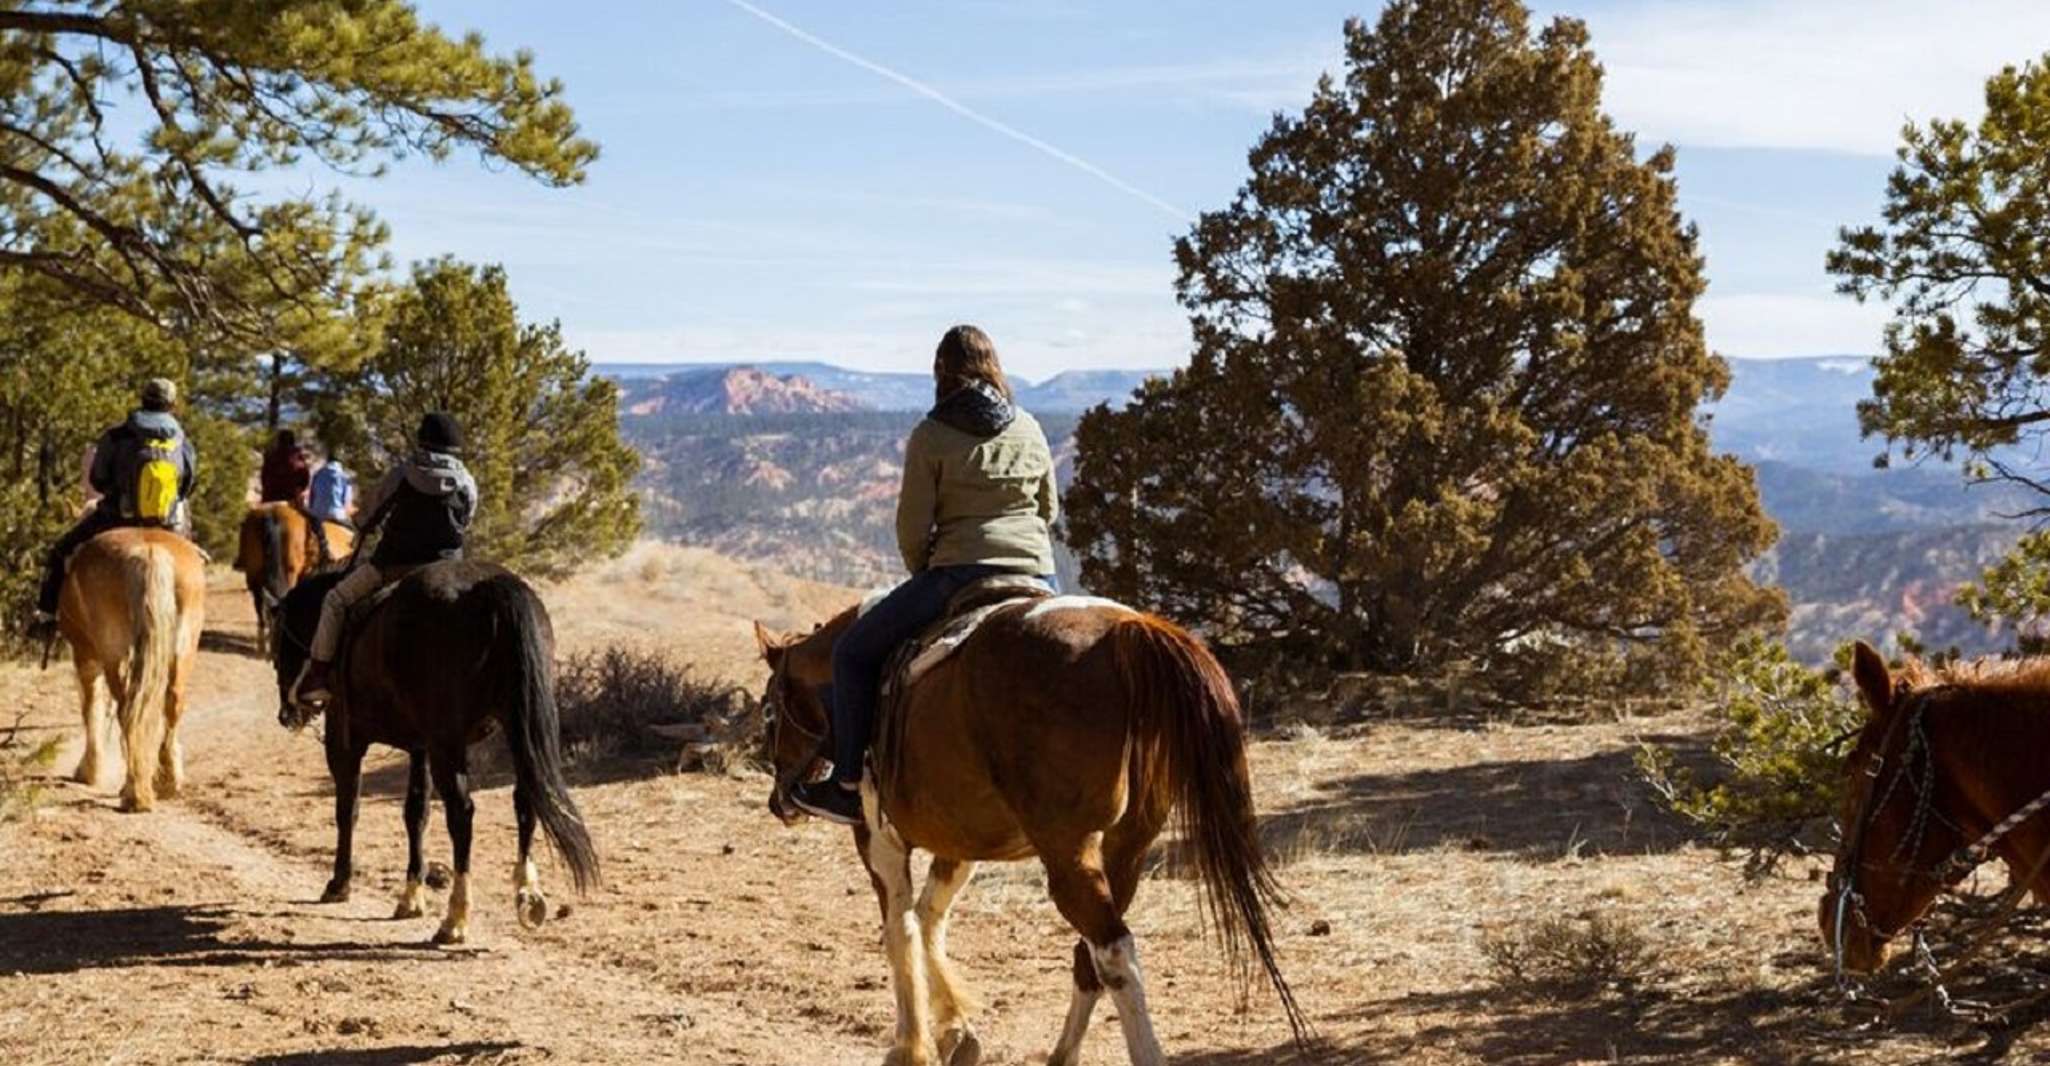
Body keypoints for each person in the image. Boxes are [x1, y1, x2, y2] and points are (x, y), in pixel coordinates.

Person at [789, 325, 1060, 826]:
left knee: (852, 653)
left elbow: (913, 526)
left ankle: (847, 784)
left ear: (941, 372)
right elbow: (1048, 509)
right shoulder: (1030, 426)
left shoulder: (932, 434)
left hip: (960, 572)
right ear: (995, 366)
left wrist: (925, 573)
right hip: (1037, 573)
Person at [293, 412, 476, 707]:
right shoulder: (466, 481)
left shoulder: (402, 474)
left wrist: (365, 527)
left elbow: (368, 516)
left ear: (423, 441)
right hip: (446, 569)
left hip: (392, 566)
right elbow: (465, 522)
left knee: (335, 601)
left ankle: (318, 676)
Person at [35, 378, 199, 629]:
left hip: (116, 516)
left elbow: (98, 479)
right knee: (192, 562)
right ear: (172, 404)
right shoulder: (182, 441)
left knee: (59, 551)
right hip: (166, 522)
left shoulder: (117, 435)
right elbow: (187, 486)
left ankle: (45, 617)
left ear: (143, 399)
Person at [259, 429, 312, 505]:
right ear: (293, 441)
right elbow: (305, 481)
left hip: (268, 500)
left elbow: (263, 479)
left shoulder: (270, 455)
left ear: (279, 441)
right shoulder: (298, 457)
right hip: (290, 500)